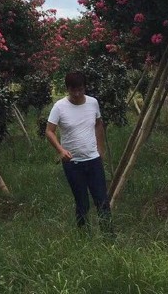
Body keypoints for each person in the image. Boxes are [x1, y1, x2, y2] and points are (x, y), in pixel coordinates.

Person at [45, 71, 113, 232]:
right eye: (72, 90)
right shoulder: (59, 107)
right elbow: (49, 131)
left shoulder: (93, 103)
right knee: (82, 202)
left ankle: (108, 235)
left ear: (85, 87)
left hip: (93, 160)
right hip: (73, 163)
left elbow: (98, 124)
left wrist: (100, 148)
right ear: (67, 88)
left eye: (80, 89)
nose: (77, 93)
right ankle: (84, 236)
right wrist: (60, 150)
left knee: (102, 200)